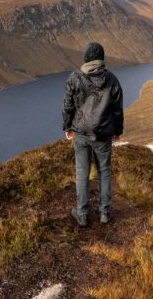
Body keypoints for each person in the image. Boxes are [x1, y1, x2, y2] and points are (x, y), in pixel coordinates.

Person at [62, 42, 123, 227]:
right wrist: (117, 131)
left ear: (86, 58)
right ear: (101, 59)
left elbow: (68, 105)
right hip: (103, 135)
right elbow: (117, 110)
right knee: (104, 173)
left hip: (80, 133)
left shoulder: (75, 77)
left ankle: (82, 214)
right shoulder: (112, 79)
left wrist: (67, 128)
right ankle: (105, 213)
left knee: (82, 173)